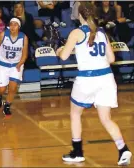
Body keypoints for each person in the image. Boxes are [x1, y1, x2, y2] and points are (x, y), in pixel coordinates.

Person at [56, 2, 132, 166]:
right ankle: (123, 149)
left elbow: (63, 56)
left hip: (87, 79)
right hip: (106, 78)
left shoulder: (76, 32)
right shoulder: (101, 33)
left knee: (75, 113)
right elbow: (111, 59)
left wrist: (59, 50)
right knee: (106, 118)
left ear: (80, 15)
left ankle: (77, 152)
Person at [0, 17, 28, 115]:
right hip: (2, 64)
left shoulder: (23, 37)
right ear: (9, 26)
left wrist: (20, 63)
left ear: (19, 26)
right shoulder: (3, 35)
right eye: (11, 24)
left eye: (15, 24)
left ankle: (7, 105)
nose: (13, 26)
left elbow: (25, 54)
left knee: (13, 88)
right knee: (2, 88)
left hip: (16, 65)